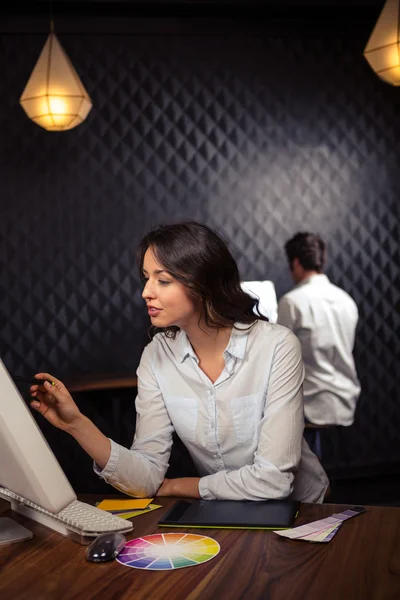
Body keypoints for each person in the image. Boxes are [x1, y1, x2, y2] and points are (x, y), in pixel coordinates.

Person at [30, 221, 329, 503]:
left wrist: (184, 486)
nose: (146, 292)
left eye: (163, 280)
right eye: (147, 279)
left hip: (305, 512)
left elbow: (274, 481)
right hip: (230, 512)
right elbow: (145, 478)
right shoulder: (156, 356)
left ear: (203, 283)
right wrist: (78, 425)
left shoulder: (276, 346)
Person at [278, 232, 361, 433]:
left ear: (296, 263)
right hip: (346, 399)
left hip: (311, 403)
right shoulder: (346, 300)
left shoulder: (292, 302)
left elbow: (278, 356)